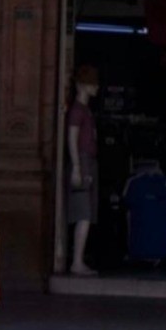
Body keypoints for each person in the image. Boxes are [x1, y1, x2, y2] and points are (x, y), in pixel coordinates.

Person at [67, 65, 100, 275]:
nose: (96, 87)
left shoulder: (83, 110)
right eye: (92, 83)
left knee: (86, 212)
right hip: (83, 161)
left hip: (87, 161)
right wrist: (77, 166)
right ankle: (77, 261)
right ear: (82, 85)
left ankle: (78, 260)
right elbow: (72, 137)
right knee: (84, 212)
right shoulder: (78, 110)